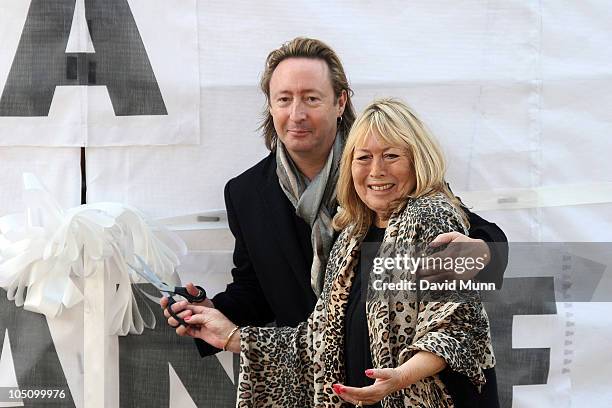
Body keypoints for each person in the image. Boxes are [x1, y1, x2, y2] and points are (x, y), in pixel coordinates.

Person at [161, 37, 508, 358]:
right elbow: (256, 291)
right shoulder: (246, 193)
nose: (296, 114)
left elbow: (471, 233)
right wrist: (210, 312)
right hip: (311, 376)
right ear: (270, 104)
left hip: (402, 372)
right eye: (284, 99)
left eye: (311, 98)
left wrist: (480, 254)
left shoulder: (382, 172)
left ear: (340, 101)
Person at [176, 98, 499, 407]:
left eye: (391, 156)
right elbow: (318, 340)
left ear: (417, 160)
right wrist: (230, 337)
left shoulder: (428, 217)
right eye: (363, 158)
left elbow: (456, 327)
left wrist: (399, 377)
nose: (376, 170)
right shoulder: (351, 237)